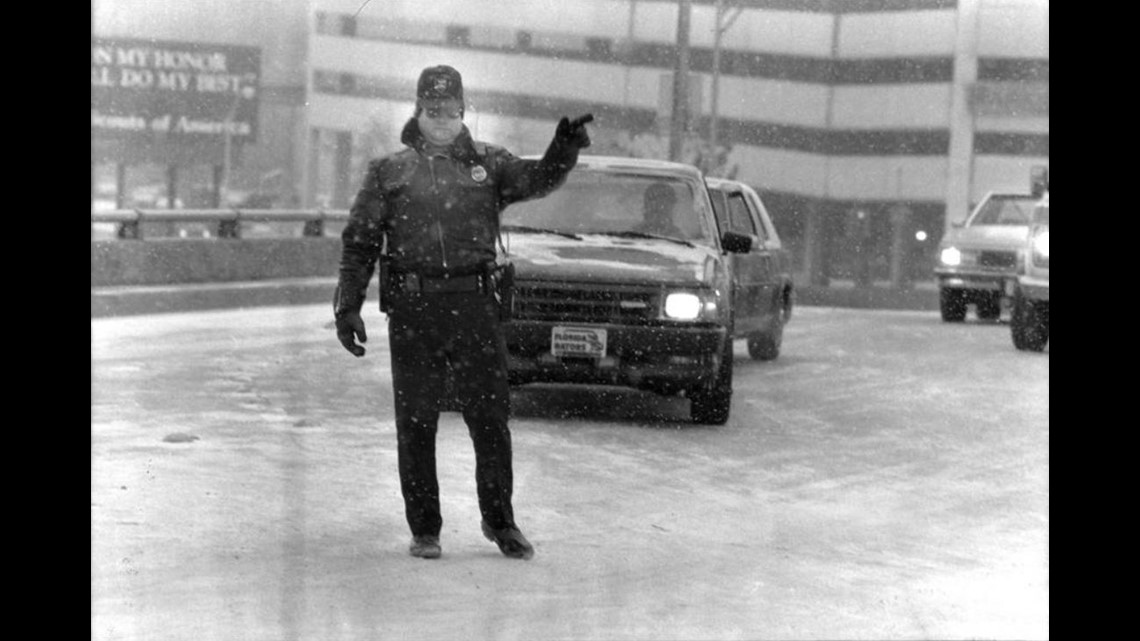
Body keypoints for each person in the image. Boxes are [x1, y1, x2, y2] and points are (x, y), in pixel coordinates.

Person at [333, 64, 592, 561]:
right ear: (418, 111)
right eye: (433, 111)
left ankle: (501, 523)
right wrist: (348, 304)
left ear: (463, 110)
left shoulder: (489, 165)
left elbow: (538, 180)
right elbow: (360, 243)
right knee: (416, 423)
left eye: (451, 110)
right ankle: (425, 528)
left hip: (475, 307)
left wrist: (564, 149)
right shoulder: (389, 172)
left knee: (490, 420)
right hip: (414, 309)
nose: (442, 120)